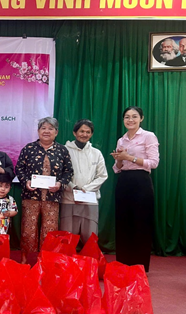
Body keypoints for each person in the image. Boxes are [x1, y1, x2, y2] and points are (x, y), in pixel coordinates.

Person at [15, 117, 73, 264]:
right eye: (43, 128)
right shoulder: (29, 148)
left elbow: (68, 171)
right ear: (38, 131)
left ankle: (45, 259)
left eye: (50, 128)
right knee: (28, 229)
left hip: (52, 198)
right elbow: (19, 168)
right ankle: (25, 258)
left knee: (49, 230)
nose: (47, 131)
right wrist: (26, 181)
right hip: (31, 196)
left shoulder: (62, 150)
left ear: (56, 132)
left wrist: (60, 184)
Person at [110, 106, 159, 272]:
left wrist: (129, 157)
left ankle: (140, 266)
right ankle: (123, 263)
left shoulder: (148, 136)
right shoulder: (121, 140)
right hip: (124, 181)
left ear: (141, 118)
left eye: (134, 116)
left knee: (141, 223)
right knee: (123, 223)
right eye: (127, 117)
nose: (130, 120)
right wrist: (119, 159)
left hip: (141, 182)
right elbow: (117, 168)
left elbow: (154, 163)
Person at [61, 119, 108, 245]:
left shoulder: (96, 153)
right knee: (67, 237)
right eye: (81, 131)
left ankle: (89, 258)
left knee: (90, 237)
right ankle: (67, 258)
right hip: (69, 199)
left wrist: (86, 189)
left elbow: (102, 176)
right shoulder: (64, 150)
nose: (84, 134)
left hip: (90, 199)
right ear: (74, 133)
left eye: (88, 132)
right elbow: (60, 173)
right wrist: (73, 187)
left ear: (91, 134)